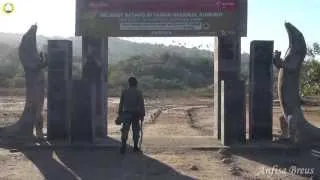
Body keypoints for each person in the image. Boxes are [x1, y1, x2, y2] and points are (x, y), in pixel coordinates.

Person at [118, 77, 145, 154]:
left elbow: (121, 104)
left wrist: (120, 113)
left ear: (129, 83)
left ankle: (123, 145)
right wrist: (142, 114)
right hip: (135, 114)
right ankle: (135, 146)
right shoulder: (138, 92)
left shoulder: (124, 92)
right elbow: (141, 105)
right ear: (136, 83)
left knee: (125, 130)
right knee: (136, 130)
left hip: (126, 113)